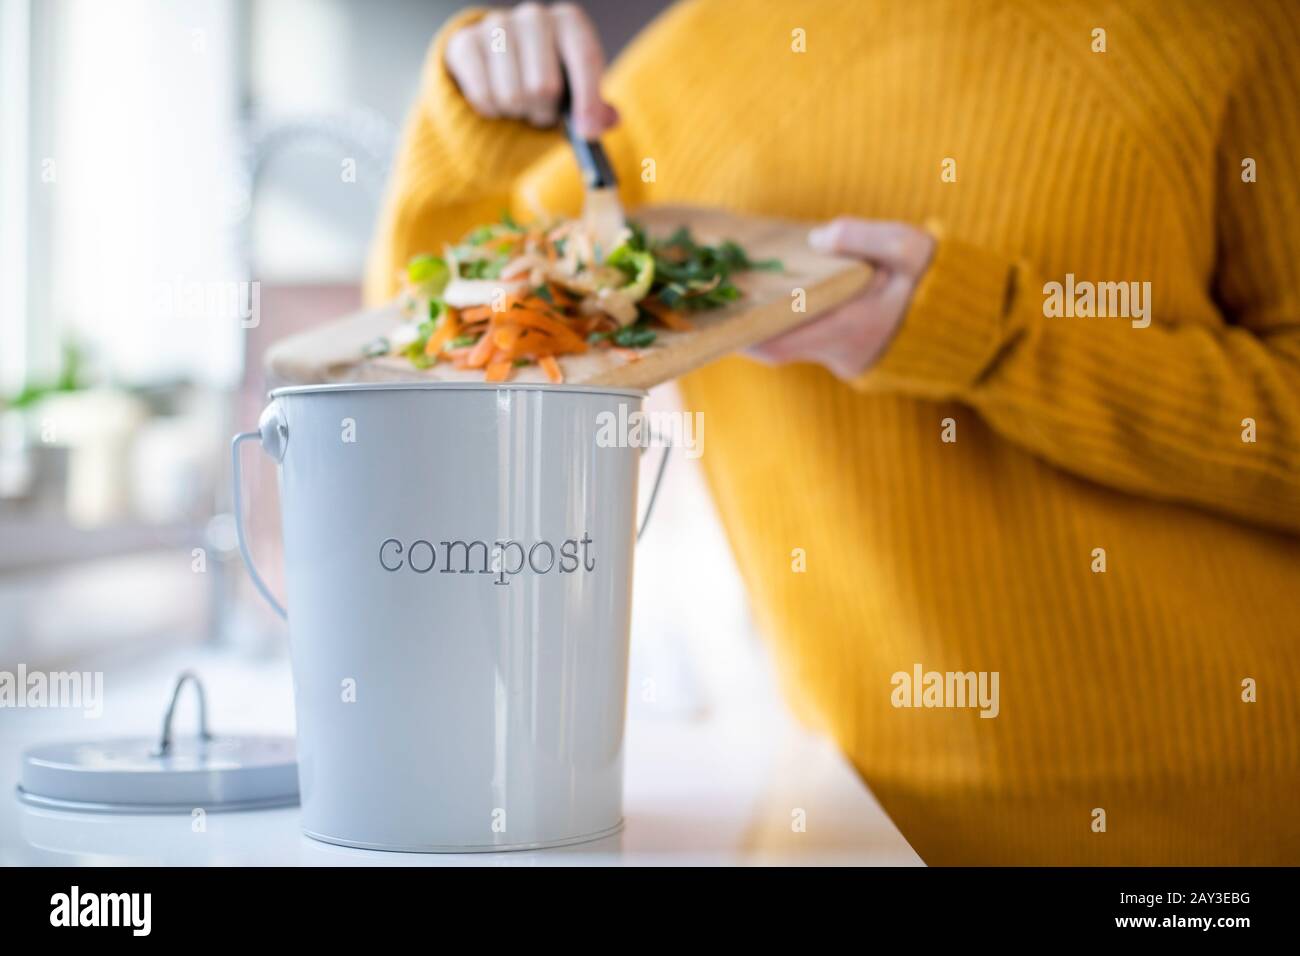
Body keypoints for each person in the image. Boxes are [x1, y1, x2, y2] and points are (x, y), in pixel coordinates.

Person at [366, 1, 1300, 864]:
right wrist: (467, 127)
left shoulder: (1238, 33)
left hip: (1220, 830)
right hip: (854, 822)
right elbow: (422, 386)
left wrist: (989, 337)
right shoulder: (661, 87)